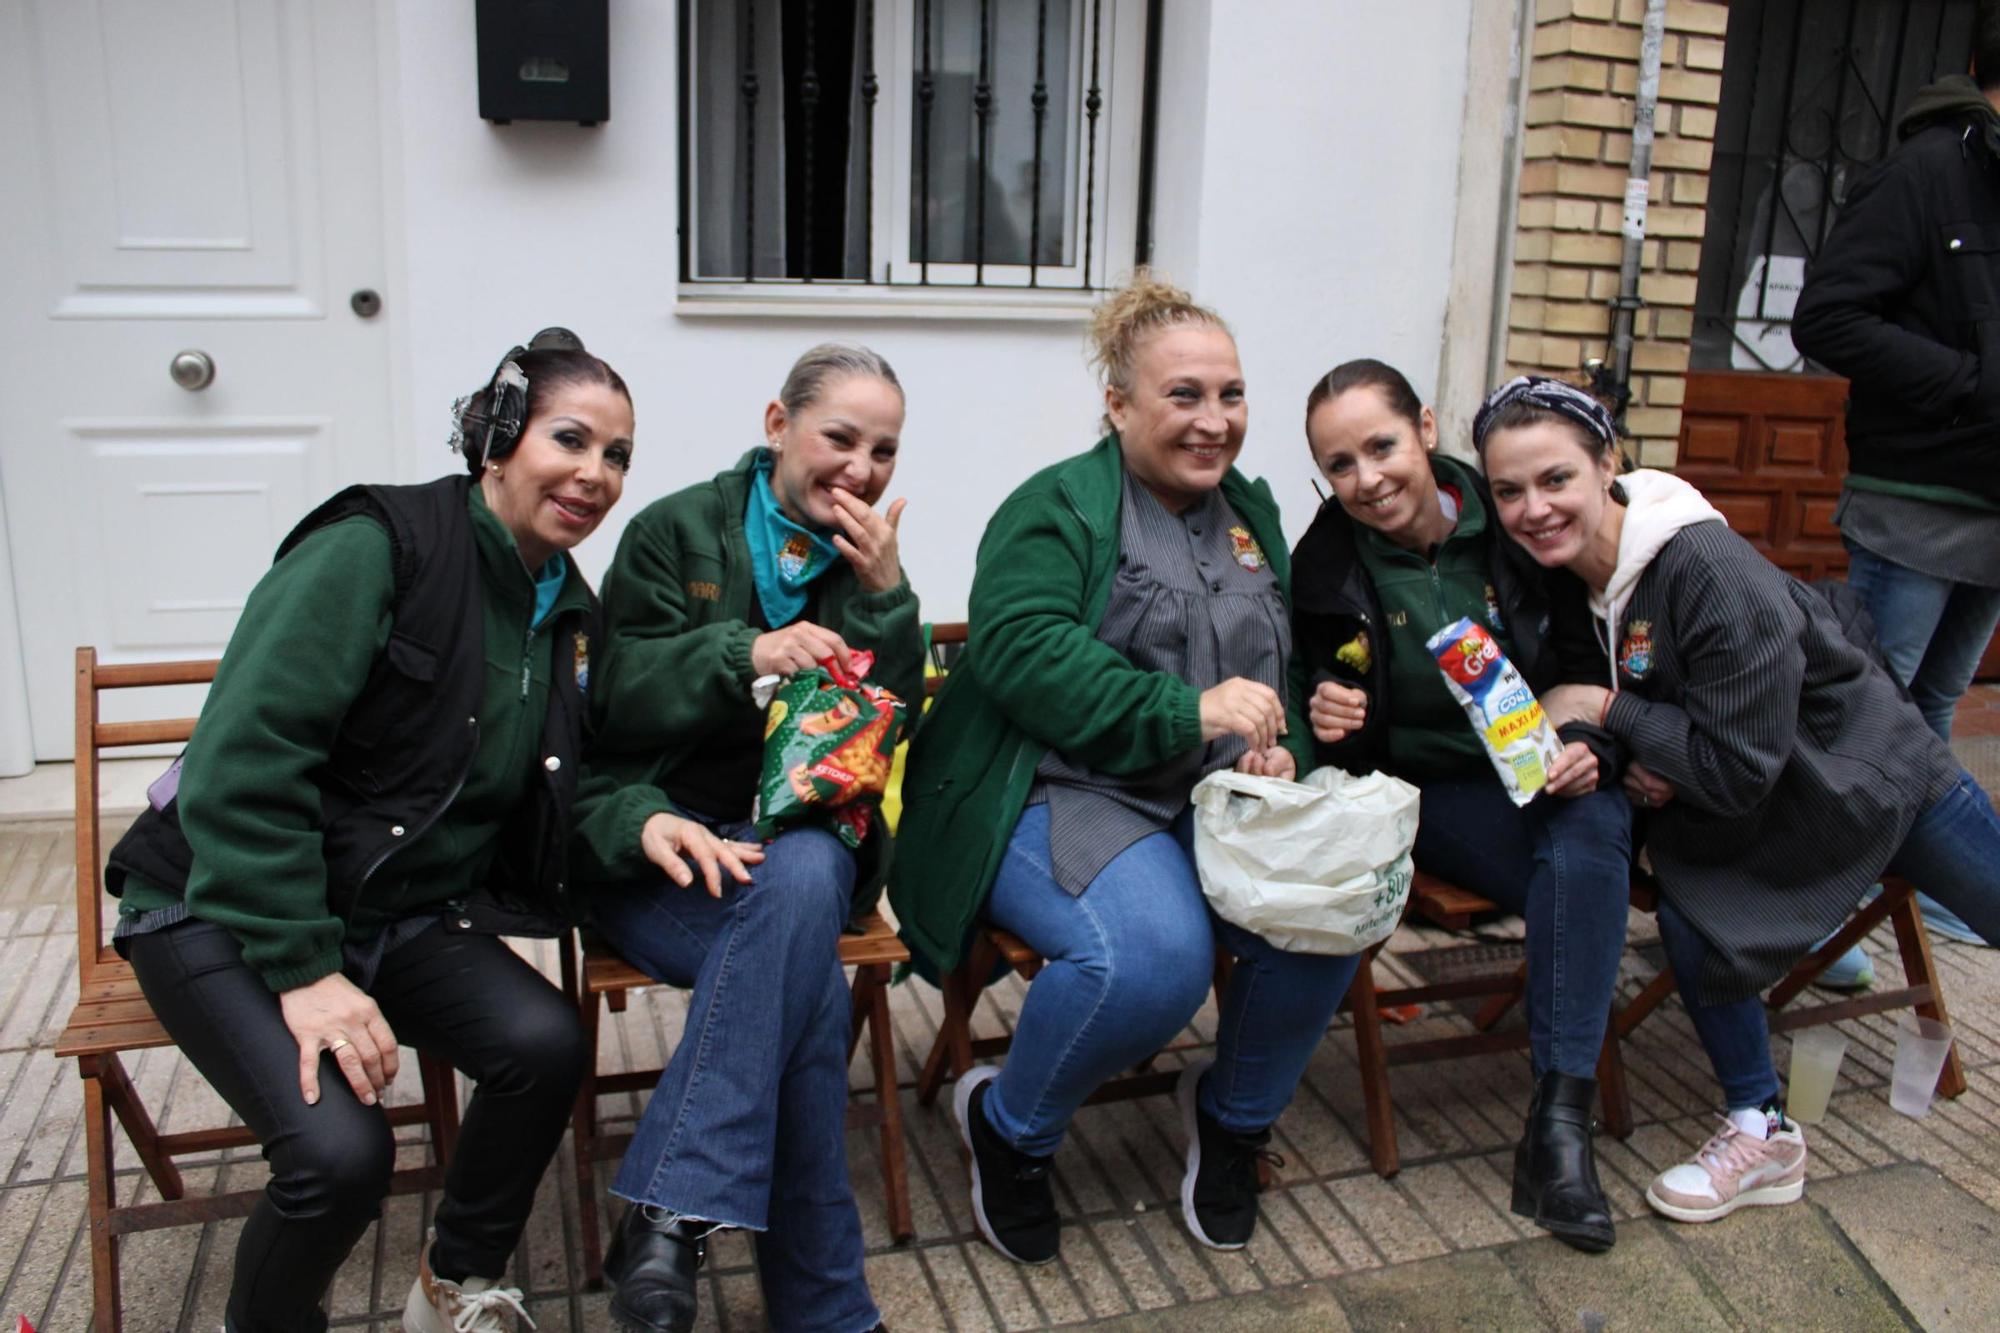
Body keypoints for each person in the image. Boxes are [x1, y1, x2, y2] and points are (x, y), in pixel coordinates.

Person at [106, 331, 647, 1332]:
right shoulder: (377, 544)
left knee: (543, 1042)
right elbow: (242, 766)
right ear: (495, 437)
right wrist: (306, 972)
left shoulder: (564, 608)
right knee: (338, 1156)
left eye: (616, 455)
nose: (594, 473)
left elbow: (576, 773)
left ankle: (454, 1285)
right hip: (218, 901)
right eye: (570, 438)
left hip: (388, 908)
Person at [890, 272, 1360, 1265]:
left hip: (1208, 789)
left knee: (1327, 909)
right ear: (1117, 404)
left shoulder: (1248, 511)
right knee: (1150, 958)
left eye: (1228, 394)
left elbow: (1279, 657)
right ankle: (1009, 1128)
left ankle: (1231, 1117)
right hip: (1055, 786)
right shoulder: (1055, 507)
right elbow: (1018, 651)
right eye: (1181, 395)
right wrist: (1185, 709)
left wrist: (1285, 742)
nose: (1213, 419)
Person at [1475, 374, 2000, 1226]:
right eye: (1509, 490)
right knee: (1696, 907)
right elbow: (1616, 711)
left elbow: (1722, 766)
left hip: (1869, 777)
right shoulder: (1571, 576)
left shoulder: (1704, 565)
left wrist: (1614, 714)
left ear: (1608, 462)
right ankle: (1763, 1129)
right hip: (1757, 812)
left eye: (1555, 479)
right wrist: (1620, 748)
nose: (1533, 507)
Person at [575, 344, 918, 1333]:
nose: (859, 467)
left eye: (883, 449)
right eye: (838, 437)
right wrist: (746, 650)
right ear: (777, 425)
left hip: (786, 855)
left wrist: (883, 603)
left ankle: (668, 1207)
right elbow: (613, 702)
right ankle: (823, 1310)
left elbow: (882, 734)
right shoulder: (672, 530)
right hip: (660, 850)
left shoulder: (870, 558)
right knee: (805, 991)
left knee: (810, 867)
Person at [1290, 359, 1632, 1252]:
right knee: (1576, 874)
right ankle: (1561, 1132)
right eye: (1339, 465)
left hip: (1542, 762)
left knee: (1592, 829)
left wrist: (1585, 744)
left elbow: (1585, 657)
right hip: (1429, 790)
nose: (1366, 480)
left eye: (1381, 446)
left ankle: (1558, 1125)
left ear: (1426, 430)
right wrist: (1330, 710)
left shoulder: (1514, 520)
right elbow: (1313, 683)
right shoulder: (1325, 557)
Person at [1790, 13, 2000, 952]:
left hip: (1995, 511)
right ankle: (1812, 905)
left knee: (1933, 710)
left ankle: (1922, 882)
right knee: (1862, 713)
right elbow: (1828, 316)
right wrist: (1968, 385)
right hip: (1918, 499)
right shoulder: (1929, 172)